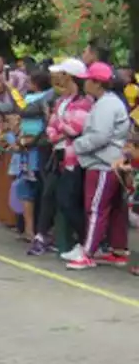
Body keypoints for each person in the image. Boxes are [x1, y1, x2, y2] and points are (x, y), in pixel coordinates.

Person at [68, 61, 131, 270]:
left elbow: (100, 136)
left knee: (95, 209)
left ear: (97, 83)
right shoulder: (107, 102)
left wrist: (76, 145)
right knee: (114, 210)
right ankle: (118, 251)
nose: (85, 83)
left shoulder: (106, 104)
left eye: (88, 80)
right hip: (110, 162)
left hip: (103, 163)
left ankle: (88, 253)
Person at [43, 59, 94, 260]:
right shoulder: (60, 101)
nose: (58, 79)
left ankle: (86, 241)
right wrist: (58, 129)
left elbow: (75, 128)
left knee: (69, 201)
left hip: (75, 158)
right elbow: (52, 125)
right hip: (59, 155)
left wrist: (59, 125)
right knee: (55, 197)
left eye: (62, 74)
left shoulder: (84, 102)